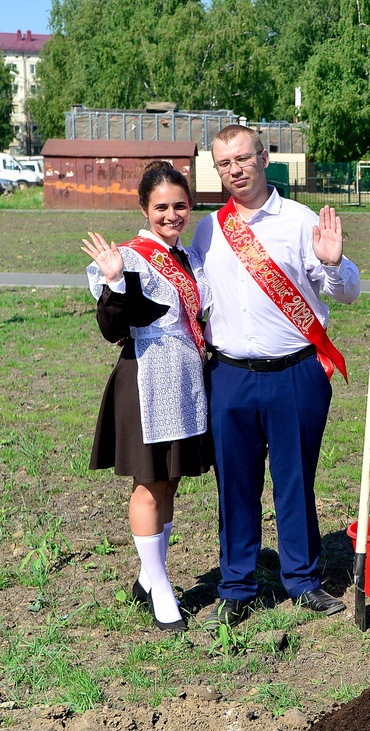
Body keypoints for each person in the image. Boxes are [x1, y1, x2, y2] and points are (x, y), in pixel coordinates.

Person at [191, 124, 361, 628]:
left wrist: (334, 264)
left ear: (264, 157)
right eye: (224, 164)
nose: (235, 170)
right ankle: (237, 584)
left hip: (296, 373)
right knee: (235, 483)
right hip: (230, 378)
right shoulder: (209, 229)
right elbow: (195, 298)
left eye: (242, 158)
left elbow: (347, 291)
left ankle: (303, 580)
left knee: (294, 480)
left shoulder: (300, 220)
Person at [81, 161, 212, 631]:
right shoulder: (130, 257)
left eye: (180, 206)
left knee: (170, 480)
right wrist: (115, 281)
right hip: (145, 381)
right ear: (144, 208)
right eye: (161, 207)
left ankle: (146, 577)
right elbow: (112, 329)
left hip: (186, 381)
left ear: (190, 207)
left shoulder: (191, 258)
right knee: (148, 484)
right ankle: (161, 588)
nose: (171, 215)